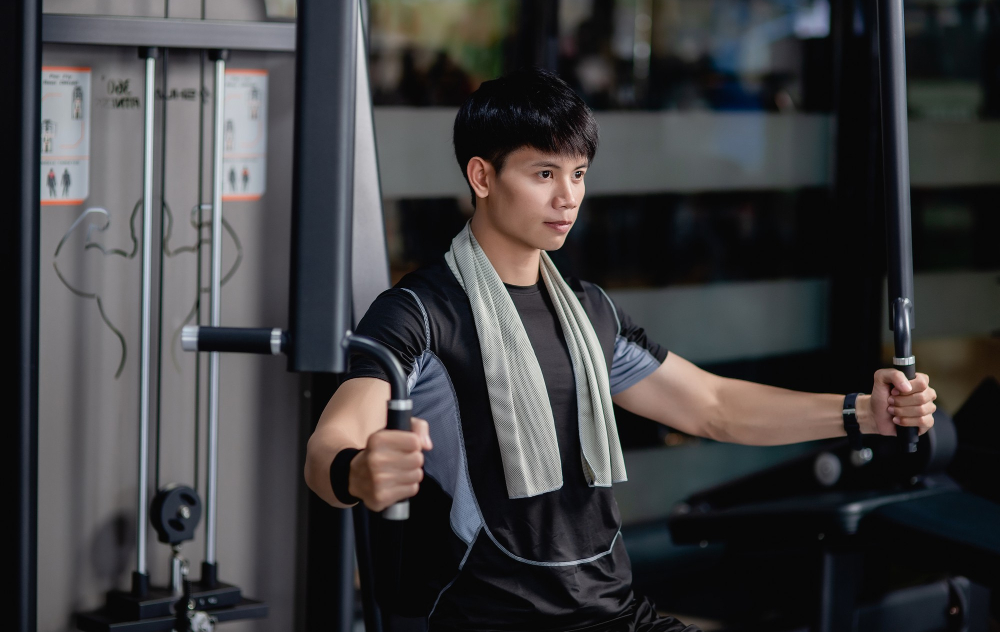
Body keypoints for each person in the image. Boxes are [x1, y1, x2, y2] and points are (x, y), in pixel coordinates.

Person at [304, 68, 938, 632]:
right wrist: (358, 473)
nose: (568, 197)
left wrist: (862, 413)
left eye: (578, 174)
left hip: (612, 610)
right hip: (492, 616)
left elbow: (712, 406)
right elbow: (329, 444)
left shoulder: (588, 311)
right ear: (483, 176)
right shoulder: (421, 312)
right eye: (543, 173)